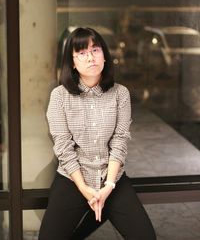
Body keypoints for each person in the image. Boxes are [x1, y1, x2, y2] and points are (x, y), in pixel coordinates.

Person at [38, 27, 156, 240]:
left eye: (95, 50)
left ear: (104, 55)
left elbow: (119, 141)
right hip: (73, 180)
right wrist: (84, 188)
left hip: (111, 179)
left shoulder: (120, 94)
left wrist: (109, 186)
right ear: (72, 62)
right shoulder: (59, 97)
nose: (90, 57)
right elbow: (63, 146)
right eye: (82, 53)